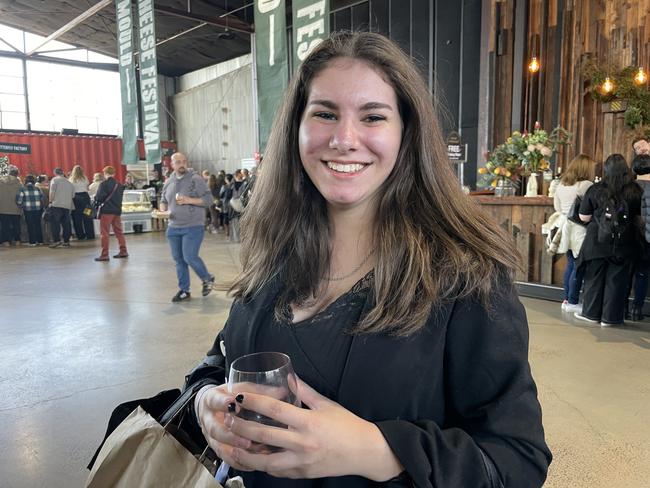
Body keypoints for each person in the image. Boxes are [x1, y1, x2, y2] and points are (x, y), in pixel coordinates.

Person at [186, 32, 551, 488]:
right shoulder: (274, 258)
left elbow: (517, 460)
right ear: (296, 128)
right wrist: (204, 402)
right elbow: (221, 363)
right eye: (324, 114)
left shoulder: (465, 277)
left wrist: (375, 450)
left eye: (373, 116)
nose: (343, 139)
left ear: (406, 134)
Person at [574, 154, 642, 326]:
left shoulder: (596, 189)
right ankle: (610, 318)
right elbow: (640, 216)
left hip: (597, 241)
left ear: (606, 170)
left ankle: (591, 314)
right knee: (617, 281)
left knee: (594, 278)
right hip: (624, 242)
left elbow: (583, 217)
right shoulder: (635, 190)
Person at [160, 152, 215, 302]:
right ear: (172, 165)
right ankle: (184, 290)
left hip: (193, 225)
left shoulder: (195, 179)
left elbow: (209, 200)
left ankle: (207, 278)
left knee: (189, 256)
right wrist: (162, 210)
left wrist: (189, 200)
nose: (181, 164)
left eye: (184, 161)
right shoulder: (168, 181)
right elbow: (163, 199)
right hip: (173, 227)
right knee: (179, 260)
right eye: (178, 162)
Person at [553, 154, 595, 312]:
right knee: (578, 266)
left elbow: (557, 207)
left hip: (565, 226)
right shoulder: (587, 185)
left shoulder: (561, 185)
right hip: (579, 229)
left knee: (570, 264)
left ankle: (567, 299)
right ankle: (573, 301)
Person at [629, 154, 650, 320]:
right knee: (643, 274)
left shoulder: (628, 187)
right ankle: (637, 308)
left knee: (628, 273)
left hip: (629, 237)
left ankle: (623, 309)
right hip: (646, 237)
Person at [93, 166, 128, 261]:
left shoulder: (104, 184)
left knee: (104, 233)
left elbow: (99, 198)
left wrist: (95, 198)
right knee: (119, 232)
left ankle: (104, 254)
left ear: (105, 173)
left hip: (107, 211)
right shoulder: (119, 184)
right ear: (114, 173)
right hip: (117, 211)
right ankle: (123, 251)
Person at [48, 167, 74, 248]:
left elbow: (52, 192)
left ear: (55, 173)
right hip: (67, 205)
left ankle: (57, 241)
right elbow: (73, 195)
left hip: (56, 205)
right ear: (63, 173)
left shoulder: (54, 180)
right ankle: (66, 241)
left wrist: (50, 202)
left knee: (55, 224)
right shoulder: (69, 182)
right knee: (66, 224)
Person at [17, 174, 45, 246]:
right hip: (38, 209)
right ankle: (40, 241)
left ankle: (32, 242)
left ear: (25, 181)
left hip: (28, 209)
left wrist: (21, 205)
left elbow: (19, 201)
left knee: (30, 225)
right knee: (38, 224)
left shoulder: (22, 189)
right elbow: (43, 199)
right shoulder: (38, 188)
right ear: (33, 181)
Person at [69, 165, 95, 240]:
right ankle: (90, 235)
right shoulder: (85, 178)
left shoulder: (71, 179)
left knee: (77, 217)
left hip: (76, 199)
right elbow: (87, 187)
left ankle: (80, 235)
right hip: (85, 198)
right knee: (87, 216)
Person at [0, 165, 23, 246]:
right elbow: (21, 196)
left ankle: (6, 242)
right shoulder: (19, 184)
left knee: (4, 226)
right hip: (15, 208)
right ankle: (17, 240)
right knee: (16, 225)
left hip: (2, 208)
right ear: (17, 174)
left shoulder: (1, 181)